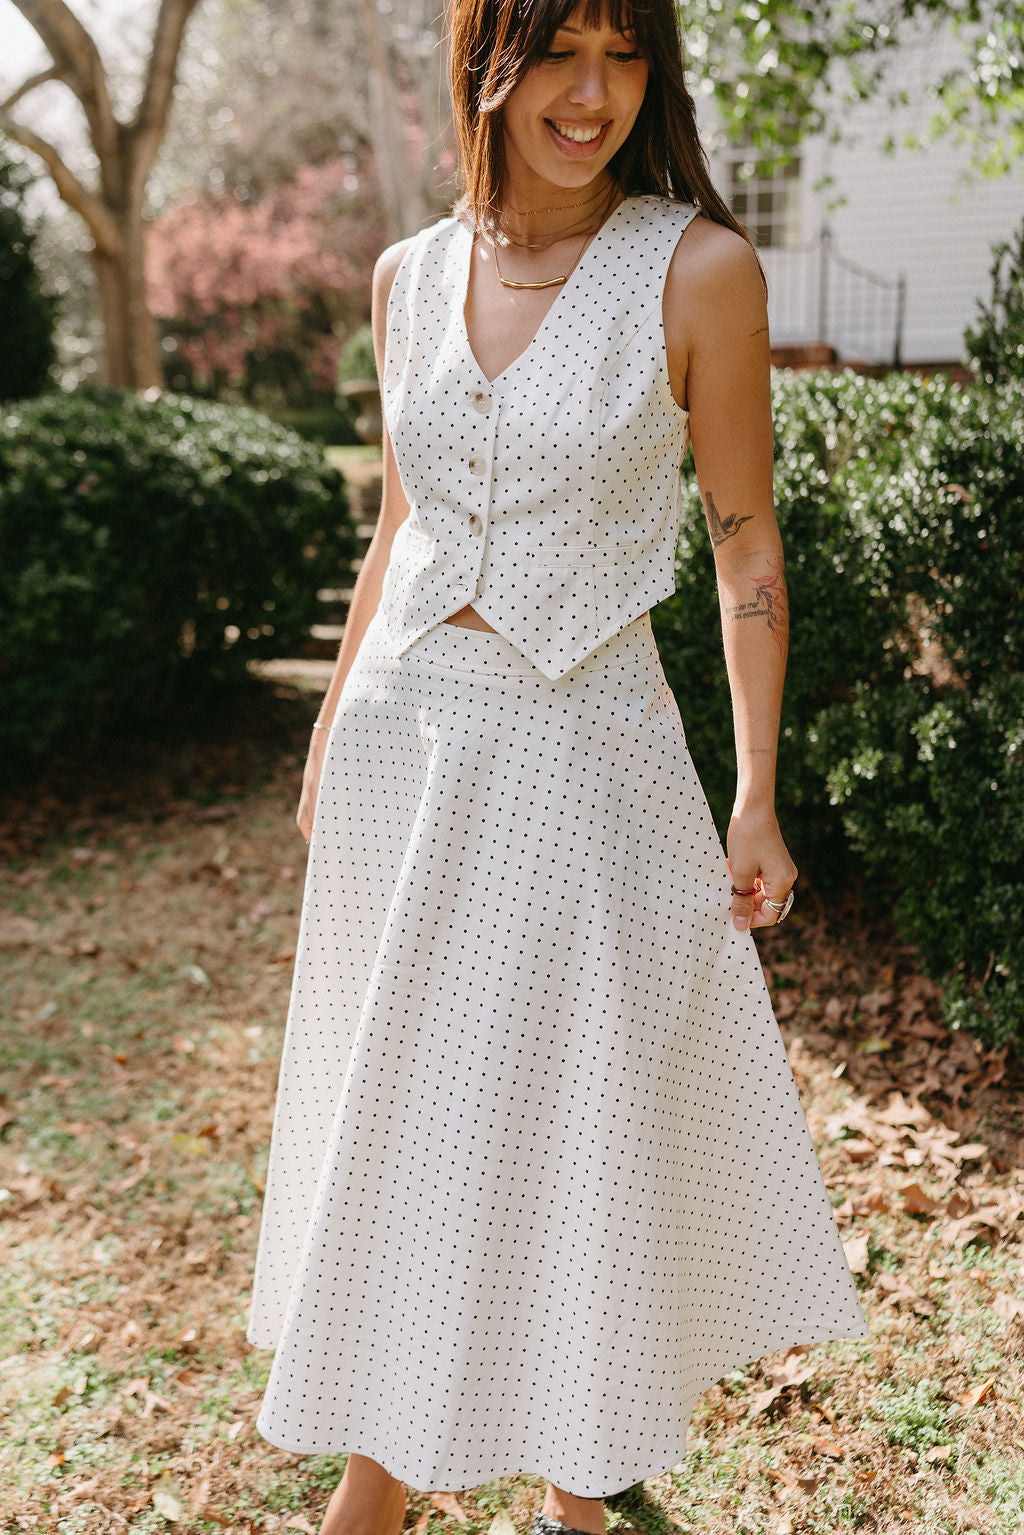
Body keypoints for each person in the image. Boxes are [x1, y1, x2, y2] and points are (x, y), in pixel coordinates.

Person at [246, 1, 868, 1532]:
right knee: (408, 1114)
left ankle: (530, 1491)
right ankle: (455, 1490)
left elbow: (741, 543)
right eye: (558, 53)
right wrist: (332, 732)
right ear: (487, 61)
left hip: (579, 761)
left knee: (560, 1113)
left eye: (625, 55)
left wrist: (758, 788)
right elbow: (398, 525)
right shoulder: (409, 274)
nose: (592, 95)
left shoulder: (698, 268)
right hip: (409, 746)